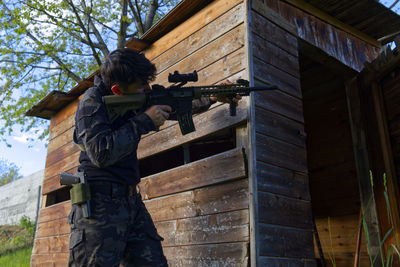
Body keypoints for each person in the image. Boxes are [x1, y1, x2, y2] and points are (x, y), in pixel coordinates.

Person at [68, 48, 241, 267]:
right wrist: (143, 122)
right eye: (141, 85)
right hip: (98, 203)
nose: (148, 89)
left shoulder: (138, 96)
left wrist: (214, 95)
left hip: (131, 200)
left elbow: (176, 105)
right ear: (117, 90)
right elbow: (100, 153)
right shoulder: (91, 102)